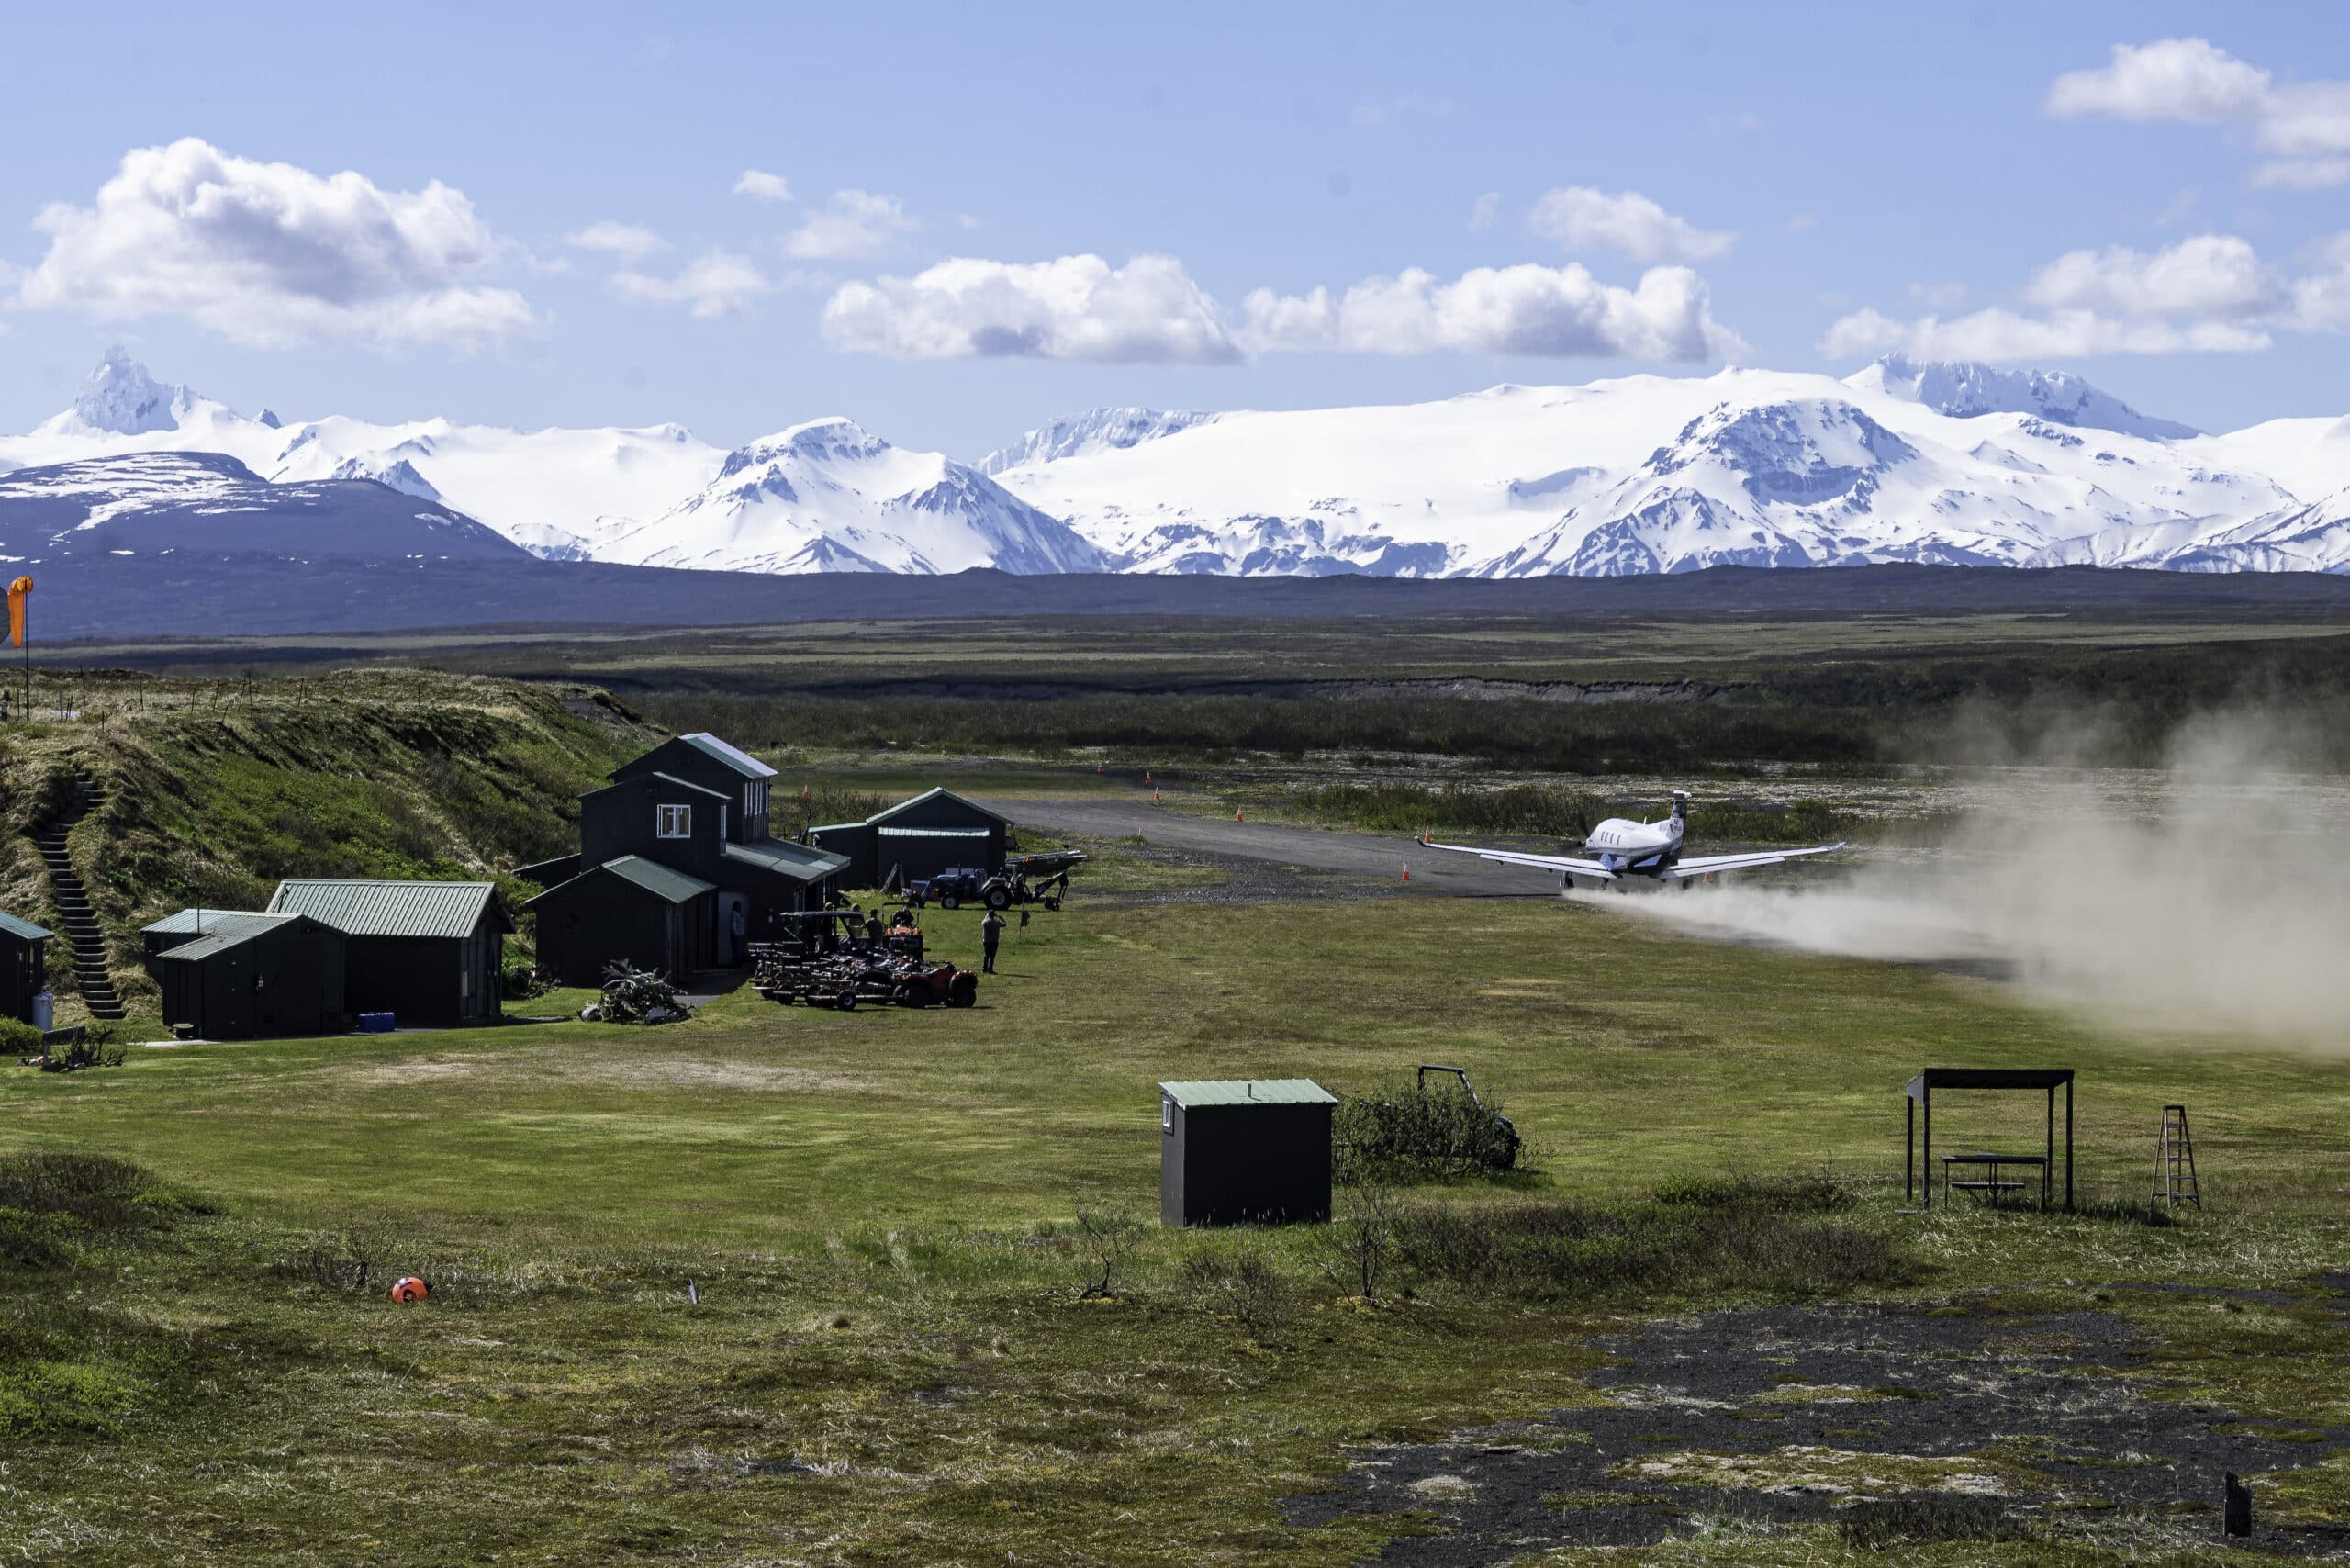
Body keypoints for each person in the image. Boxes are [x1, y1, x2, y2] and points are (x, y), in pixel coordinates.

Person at [979, 908, 1006, 975]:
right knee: (992, 956)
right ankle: (990, 969)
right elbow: (1004, 924)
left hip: (986, 940)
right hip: (994, 941)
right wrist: (1000, 917)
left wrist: (987, 915)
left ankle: (984, 969)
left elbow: (983, 921)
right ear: (994, 915)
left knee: (986, 955)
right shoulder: (997, 922)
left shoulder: (985, 923)